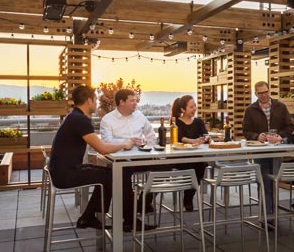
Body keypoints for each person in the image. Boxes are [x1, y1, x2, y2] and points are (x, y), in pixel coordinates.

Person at [47, 85, 133, 231]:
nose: (97, 103)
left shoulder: (74, 116)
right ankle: (92, 217)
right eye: (95, 100)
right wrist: (124, 144)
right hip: (65, 175)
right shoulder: (80, 120)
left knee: (110, 175)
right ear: (89, 101)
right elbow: (102, 149)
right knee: (111, 176)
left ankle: (90, 216)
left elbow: (100, 145)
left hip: (61, 171)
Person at [99, 89, 158, 228]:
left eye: (136, 100)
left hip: (141, 157)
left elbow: (151, 136)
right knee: (122, 174)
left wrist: (148, 147)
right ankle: (130, 220)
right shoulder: (107, 120)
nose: (136, 103)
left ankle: (143, 202)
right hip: (120, 162)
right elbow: (106, 141)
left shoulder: (140, 116)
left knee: (164, 166)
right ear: (121, 102)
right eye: (132, 100)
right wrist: (127, 142)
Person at [243, 81, 294, 213]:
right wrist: (256, 136)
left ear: (269, 91)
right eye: (260, 93)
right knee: (264, 182)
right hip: (260, 152)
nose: (264, 95)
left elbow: (290, 127)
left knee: (275, 181)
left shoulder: (280, 107)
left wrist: (278, 136)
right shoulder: (250, 110)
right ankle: (267, 215)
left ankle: (272, 212)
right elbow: (245, 131)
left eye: (266, 92)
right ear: (256, 94)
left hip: (276, 150)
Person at [172, 95, 209, 211]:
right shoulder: (177, 123)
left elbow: (205, 134)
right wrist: (193, 141)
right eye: (191, 107)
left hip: (197, 157)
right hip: (181, 157)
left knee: (200, 165)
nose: (194, 109)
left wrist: (206, 139)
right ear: (183, 109)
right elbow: (179, 138)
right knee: (194, 166)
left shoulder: (198, 122)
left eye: (195, 106)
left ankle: (188, 196)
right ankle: (187, 197)